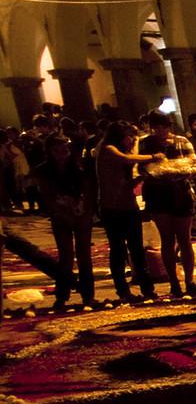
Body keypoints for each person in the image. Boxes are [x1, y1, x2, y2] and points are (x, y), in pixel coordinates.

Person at [93, 121, 159, 303]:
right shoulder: (108, 149)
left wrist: (139, 179)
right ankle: (122, 290)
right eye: (129, 137)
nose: (132, 141)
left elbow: (124, 183)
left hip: (128, 206)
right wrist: (153, 156)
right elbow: (127, 159)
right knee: (118, 250)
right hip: (112, 208)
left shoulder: (119, 151)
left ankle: (147, 289)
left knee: (137, 249)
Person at [141, 111, 196, 299]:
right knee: (167, 239)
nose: (160, 131)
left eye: (164, 127)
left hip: (180, 192)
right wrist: (153, 164)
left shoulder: (181, 142)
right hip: (158, 194)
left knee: (184, 238)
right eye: (156, 128)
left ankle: (189, 280)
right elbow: (141, 169)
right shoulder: (145, 143)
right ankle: (174, 282)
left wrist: (180, 170)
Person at [30, 132, 93, 310]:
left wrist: (85, 211)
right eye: (57, 150)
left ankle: (88, 296)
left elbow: (88, 191)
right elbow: (47, 196)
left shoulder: (79, 167)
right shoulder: (44, 170)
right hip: (60, 216)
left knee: (84, 256)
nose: (62, 153)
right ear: (50, 151)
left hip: (81, 214)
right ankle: (62, 295)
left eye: (65, 148)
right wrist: (61, 211)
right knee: (66, 256)